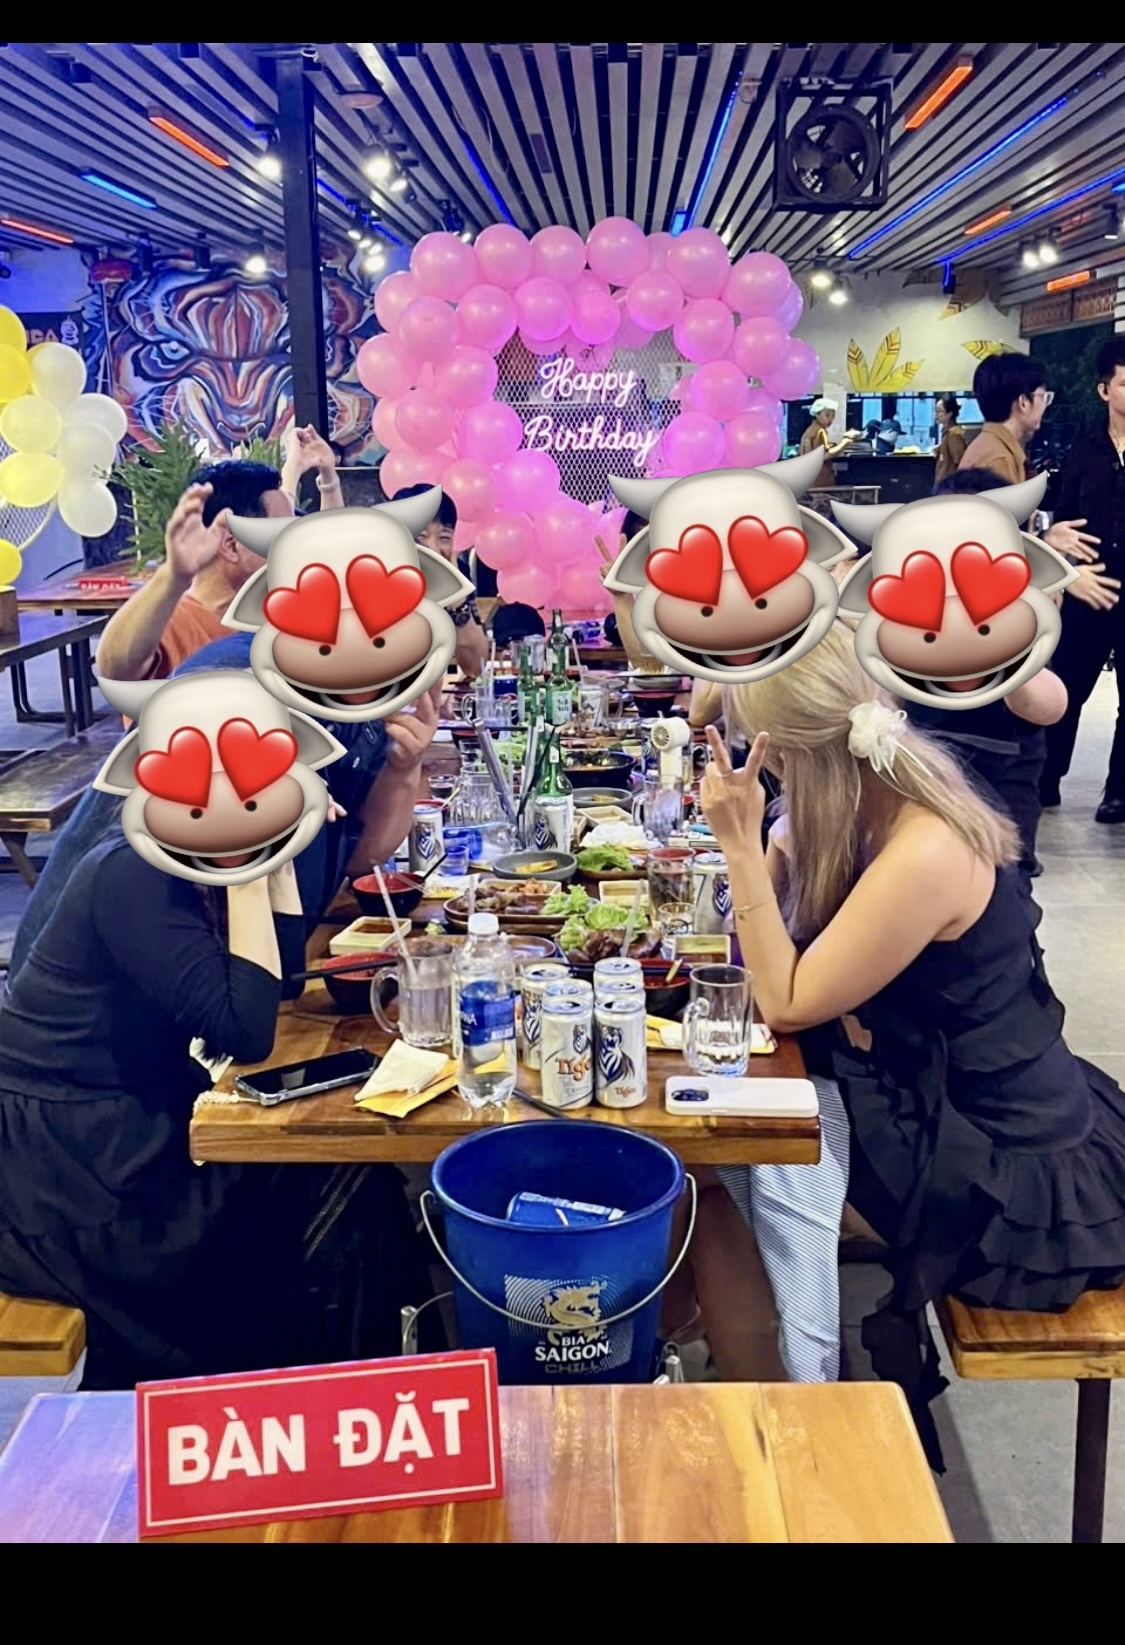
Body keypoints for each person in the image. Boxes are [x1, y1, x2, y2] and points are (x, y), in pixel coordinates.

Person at [700, 623, 1125, 1458]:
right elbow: (751, 943)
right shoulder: (872, 796)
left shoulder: (923, 846)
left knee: (715, 1177)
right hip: (950, 1099)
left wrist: (741, 847)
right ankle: (768, 1373)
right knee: (733, 1147)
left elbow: (782, 998)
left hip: (1003, 1172)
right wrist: (769, 842)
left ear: (798, 753)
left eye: (766, 755)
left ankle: (784, 1433)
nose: (761, 771)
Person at [0, 842, 437, 1389]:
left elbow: (277, 986)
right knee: (351, 1188)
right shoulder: (131, 871)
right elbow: (246, 1033)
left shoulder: (181, 861)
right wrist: (248, 865)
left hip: (129, 1130)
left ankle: (366, 1398)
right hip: (76, 1175)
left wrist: (276, 863)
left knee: (351, 1184)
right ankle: (361, 1401)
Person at [8, 631, 440, 979]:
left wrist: (405, 767)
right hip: (103, 1002)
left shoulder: (362, 697)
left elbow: (360, 858)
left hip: (231, 971)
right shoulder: (237, 675)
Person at [903, 468, 1068, 881]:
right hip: (919, 761)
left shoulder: (1025, 603)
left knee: (1005, 884)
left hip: (1003, 767)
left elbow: (1047, 707)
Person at [94, 441, 342, 683]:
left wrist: (315, 475)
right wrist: (173, 575)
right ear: (232, 546)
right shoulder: (173, 622)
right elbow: (115, 668)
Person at [1041, 335, 1125, 823]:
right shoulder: (1084, 449)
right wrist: (1062, 567)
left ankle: (1118, 792)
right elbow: (1061, 520)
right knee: (1067, 686)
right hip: (1088, 586)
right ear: (1104, 390)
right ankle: (1046, 776)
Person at [390, 483, 490, 679]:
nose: (434, 549)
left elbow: (476, 667)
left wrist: (457, 600)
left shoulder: (457, 573)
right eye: (421, 537)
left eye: (444, 537)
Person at [797, 398, 859, 488]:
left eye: (833, 416)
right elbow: (823, 456)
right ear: (817, 414)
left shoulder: (810, 430)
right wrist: (844, 443)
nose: (830, 419)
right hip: (819, 480)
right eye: (827, 415)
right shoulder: (819, 431)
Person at [932, 394, 966, 485]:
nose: (936, 415)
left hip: (949, 486)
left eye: (939, 411)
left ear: (949, 413)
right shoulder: (946, 433)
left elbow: (959, 462)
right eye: (935, 411)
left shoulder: (954, 434)